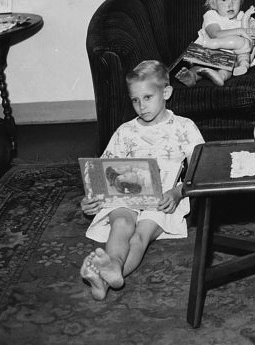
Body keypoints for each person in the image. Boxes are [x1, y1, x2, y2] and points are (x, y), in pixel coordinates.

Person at [79, 60, 205, 300]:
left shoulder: (183, 127)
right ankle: (113, 265)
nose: (141, 106)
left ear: (166, 92)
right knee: (122, 225)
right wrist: (91, 197)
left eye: (148, 97)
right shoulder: (126, 131)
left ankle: (104, 281)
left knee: (141, 235)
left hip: (162, 199)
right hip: (126, 195)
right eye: (135, 100)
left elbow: (201, 164)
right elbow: (99, 169)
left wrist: (179, 192)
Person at [175, 0, 255, 87]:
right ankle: (191, 77)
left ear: (241, 1)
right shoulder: (212, 16)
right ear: (214, 4)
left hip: (232, 61)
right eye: (224, 0)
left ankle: (218, 77)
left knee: (227, 70)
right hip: (208, 54)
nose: (230, 4)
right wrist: (240, 31)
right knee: (198, 68)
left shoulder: (244, 18)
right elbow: (215, 34)